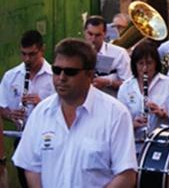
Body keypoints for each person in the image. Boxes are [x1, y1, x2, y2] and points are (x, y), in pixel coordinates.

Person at [13, 38, 138, 187]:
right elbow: (31, 167)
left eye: (70, 72)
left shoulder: (116, 114)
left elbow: (126, 175)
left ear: (90, 75)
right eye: (57, 70)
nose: (61, 78)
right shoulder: (41, 113)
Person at [0, 30, 56, 188]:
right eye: (23, 54)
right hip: (23, 139)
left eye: (32, 54)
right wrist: (11, 115)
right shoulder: (11, 76)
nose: (27, 59)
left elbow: (66, 107)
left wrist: (42, 103)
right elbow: (1, 108)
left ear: (42, 50)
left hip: (48, 139)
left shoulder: (55, 76)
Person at [117, 41, 169, 153]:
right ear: (134, 65)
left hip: (161, 145)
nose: (145, 68)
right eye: (140, 64)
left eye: (149, 63)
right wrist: (133, 124)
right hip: (133, 147)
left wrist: (163, 114)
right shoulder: (125, 87)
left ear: (156, 63)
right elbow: (118, 122)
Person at [83, 15, 132, 95]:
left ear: (105, 34)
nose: (93, 39)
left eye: (98, 35)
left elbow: (129, 85)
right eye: (90, 34)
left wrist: (109, 82)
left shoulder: (119, 53)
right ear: (84, 32)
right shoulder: (76, 53)